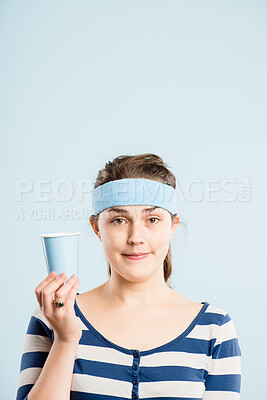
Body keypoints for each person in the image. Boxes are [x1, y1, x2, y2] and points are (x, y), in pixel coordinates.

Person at [16, 153, 241, 400]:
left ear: (172, 226)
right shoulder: (53, 316)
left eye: (152, 219)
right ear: (96, 228)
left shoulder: (214, 329)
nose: (136, 237)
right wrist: (65, 341)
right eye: (119, 220)